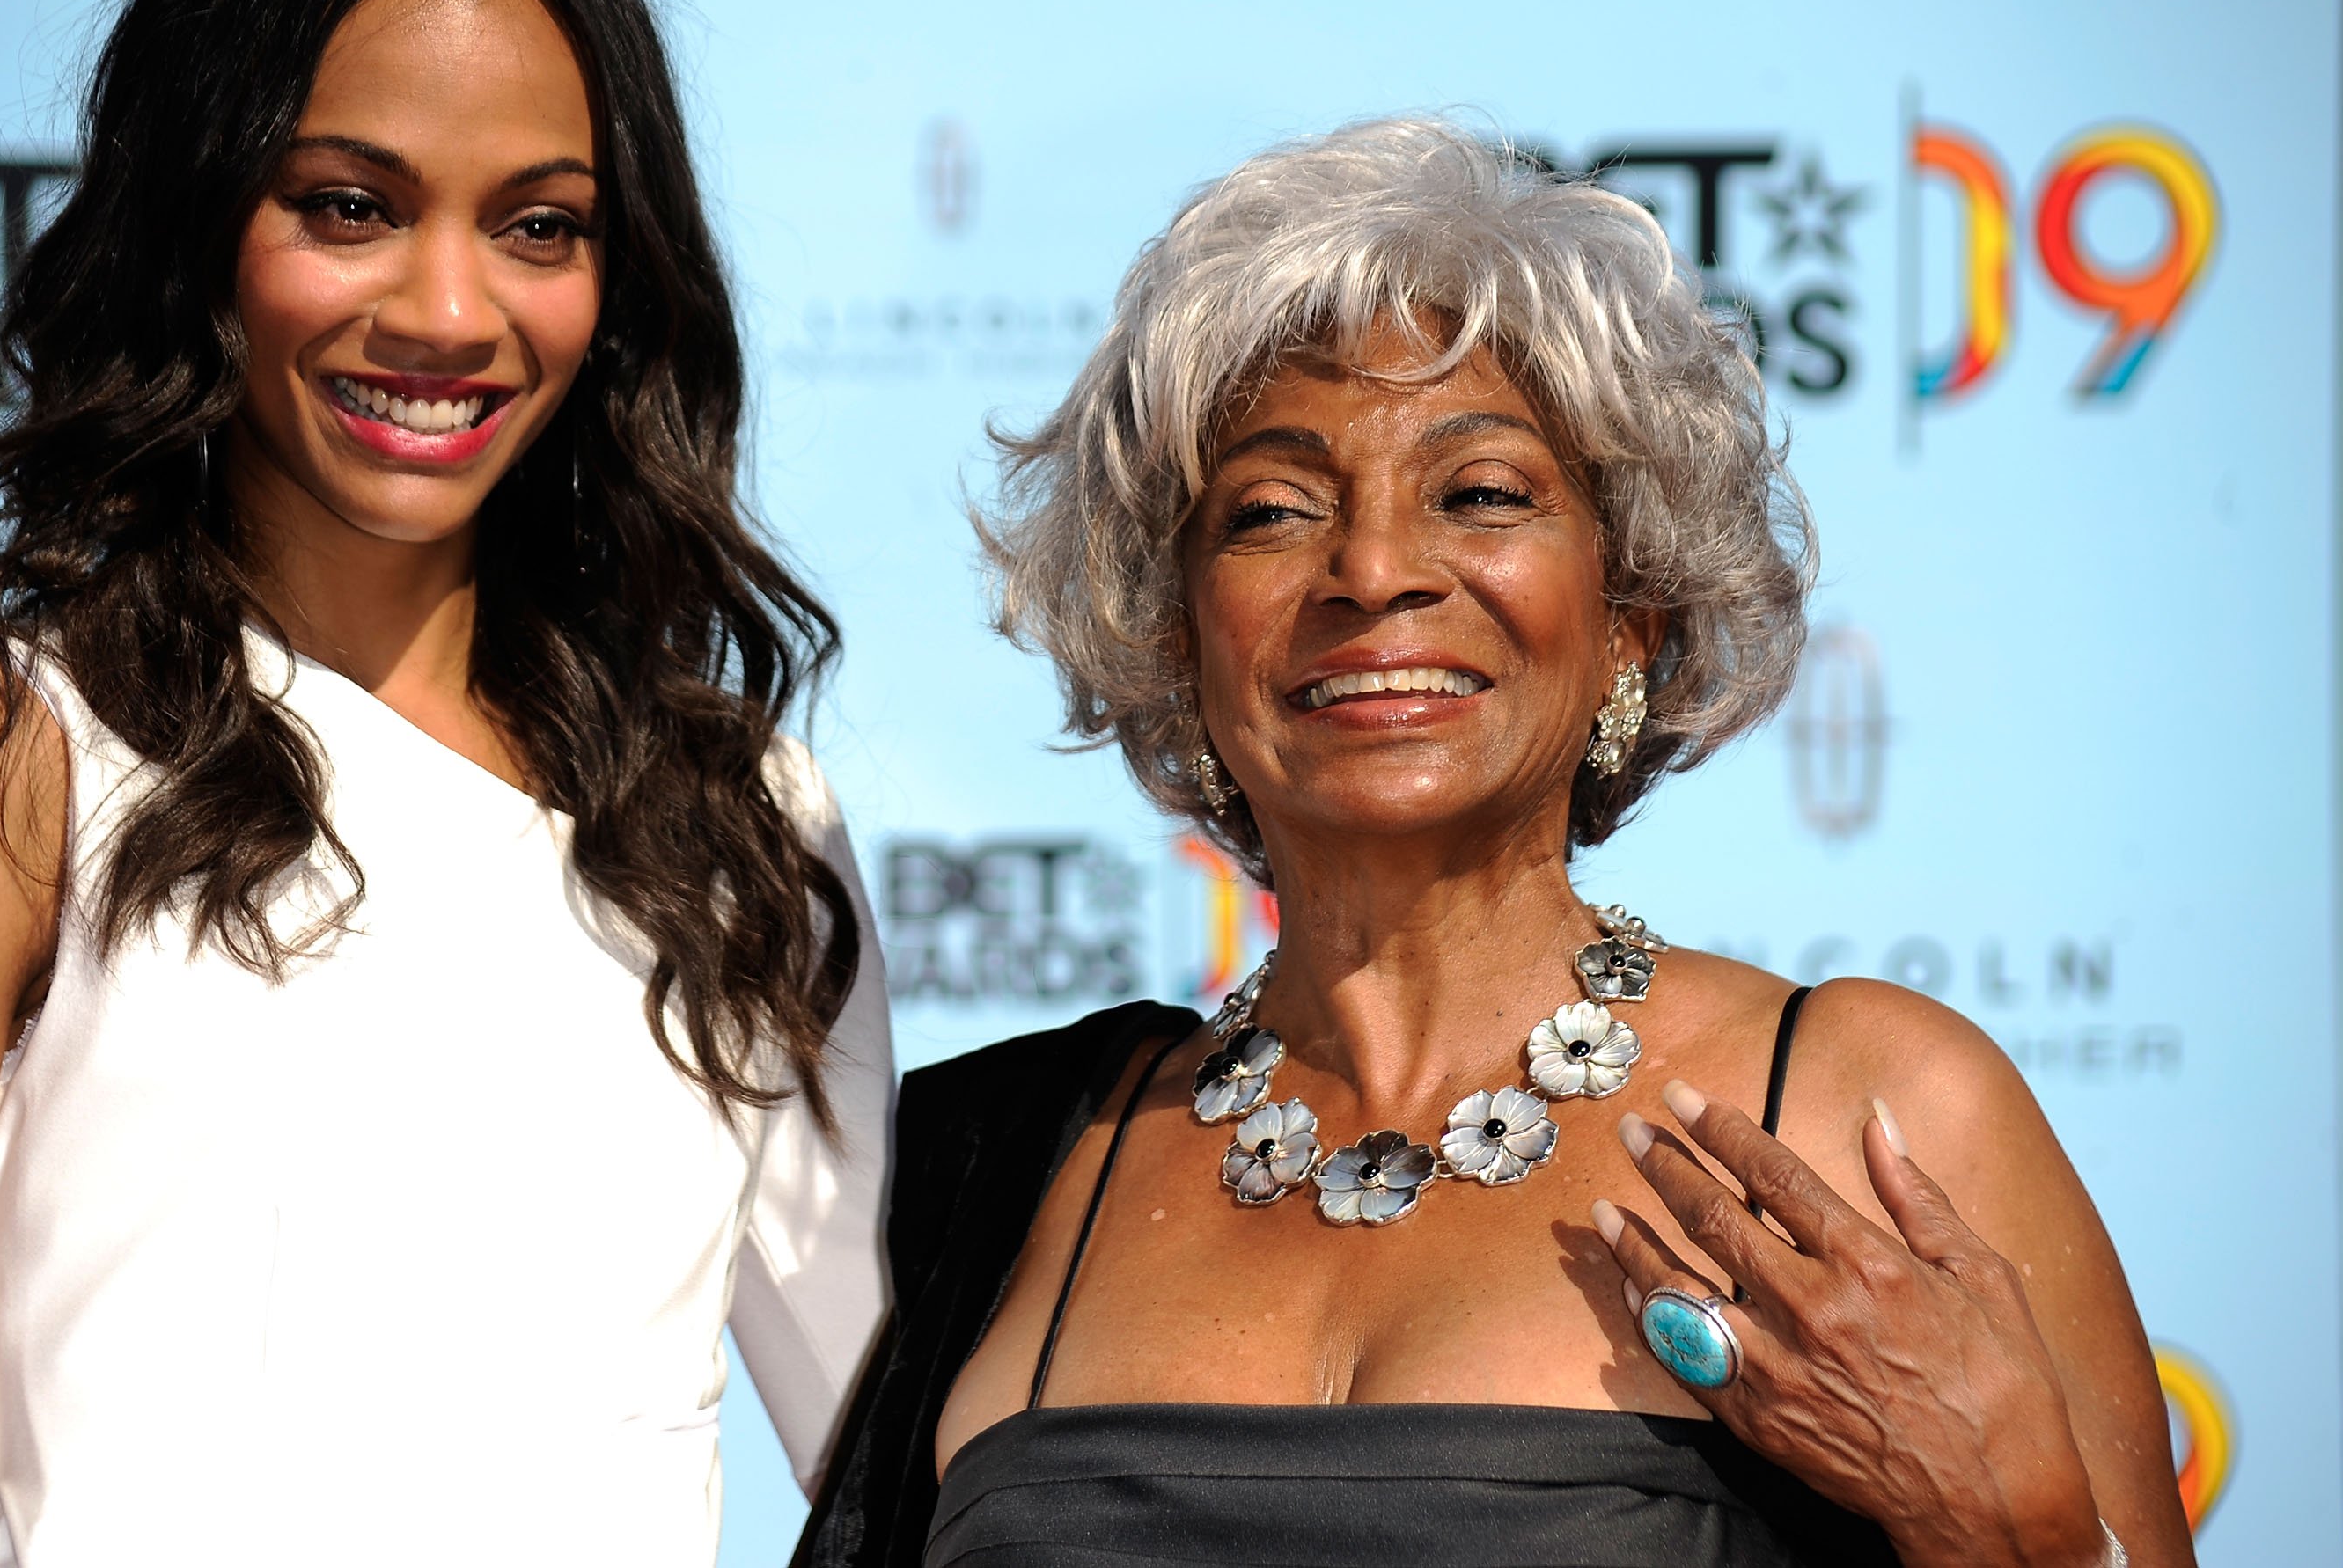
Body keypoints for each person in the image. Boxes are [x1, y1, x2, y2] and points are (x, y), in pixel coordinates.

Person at [0, 0, 891, 1568]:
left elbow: (909, 1462)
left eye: (540, 226)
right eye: (350, 206)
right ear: (199, 218)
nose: (447, 307)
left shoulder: (735, 825)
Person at [798, 118, 2189, 1568]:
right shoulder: (1012, 1165)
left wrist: (2011, 1534)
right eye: (1273, 511)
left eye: (1481, 493)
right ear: (1176, 641)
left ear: (1630, 616)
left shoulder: (1874, 1115)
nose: (1375, 572)